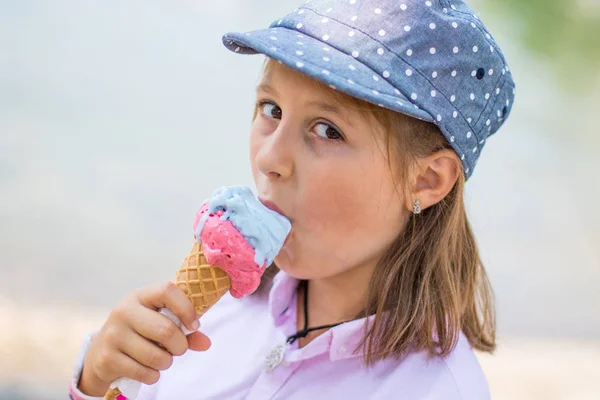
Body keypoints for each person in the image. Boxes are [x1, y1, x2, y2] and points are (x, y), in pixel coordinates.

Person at [69, 0, 516, 399]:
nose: (269, 157)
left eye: (327, 130)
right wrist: (97, 381)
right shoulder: (220, 304)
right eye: (271, 109)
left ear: (426, 180)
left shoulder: (436, 391)